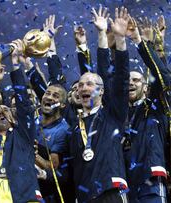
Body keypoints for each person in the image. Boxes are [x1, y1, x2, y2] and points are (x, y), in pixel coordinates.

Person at [67, 6, 130, 202]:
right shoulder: (75, 126)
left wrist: (115, 38)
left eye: (90, 84)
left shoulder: (112, 113)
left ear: (101, 91)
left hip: (111, 191)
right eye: (80, 84)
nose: (83, 87)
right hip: (84, 197)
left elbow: (120, 77)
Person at [0, 39, 41, 203]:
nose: (1, 111)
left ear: (14, 119)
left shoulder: (23, 136)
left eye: (5, 110)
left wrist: (16, 65)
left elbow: (24, 104)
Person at [119, 15, 169, 203]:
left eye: (136, 80)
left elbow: (161, 75)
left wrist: (140, 41)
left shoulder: (155, 106)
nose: (131, 83)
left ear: (146, 88)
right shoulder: (119, 113)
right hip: (123, 181)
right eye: (128, 80)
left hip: (151, 178)